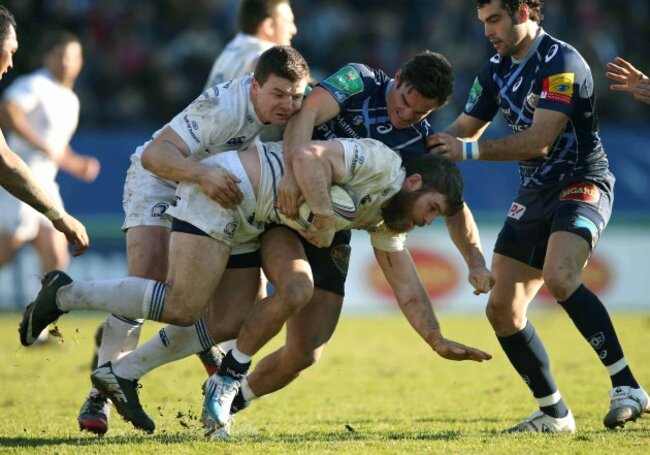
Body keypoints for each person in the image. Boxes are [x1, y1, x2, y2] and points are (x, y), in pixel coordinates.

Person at [66, 50, 494, 439]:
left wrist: (470, 267)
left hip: (331, 219)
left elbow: (447, 207)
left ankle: (226, 396)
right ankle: (143, 383)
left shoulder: (417, 149)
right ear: (397, 78)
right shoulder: (360, 80)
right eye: (404, 102)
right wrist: (293, 174)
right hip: (282, 198)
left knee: (304, 349)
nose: (406, 115)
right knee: (225, 294)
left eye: (420, 112)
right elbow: (305, 118)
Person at [20, 135, 493, 429]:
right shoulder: (380, 163)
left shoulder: (389, 216)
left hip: (259, 218)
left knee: (230, 319)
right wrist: (324, 214)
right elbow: (308, 154)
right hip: (231, 189)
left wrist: (436, 339)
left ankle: (127, 373)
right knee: (183, 304)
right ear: (414, 183)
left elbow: (406, 285)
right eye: (432, 210)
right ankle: (64, 294)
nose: (428, 221)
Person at [427, 0, 648, 432]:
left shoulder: (561, 62)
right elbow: (464, 127)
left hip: (581, 182)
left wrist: (465, 152)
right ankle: (554, 413)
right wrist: (416, 151)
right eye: (483, 22)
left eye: (494, 20)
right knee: (501, 310)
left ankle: (627, 387)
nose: (487, 31)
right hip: (534, 194)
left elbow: (540, 140)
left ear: (524, 13)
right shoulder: (494, 70)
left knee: (560, 277)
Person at [71, 45, 309, 435]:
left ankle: (181, 366)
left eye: (296, 96)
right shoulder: (225, 108)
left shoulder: (296, 111)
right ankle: (99, 392)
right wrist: (200, 174)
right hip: (163, 180)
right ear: (254, 86)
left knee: (234, 310)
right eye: (279, 94)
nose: (289, 105)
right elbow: (154, 155)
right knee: (148, 280)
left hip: (218, 196)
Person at [0, 31, 98, 285]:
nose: (65, 62)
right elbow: (9, 111)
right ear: (47, 58)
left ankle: (40, 311)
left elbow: (56, 149)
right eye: (60, 55)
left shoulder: (72, 100)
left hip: (46, 183)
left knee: (56, 255)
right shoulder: (35, 83)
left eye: (71, 57)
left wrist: (77, 165)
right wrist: (41, 145)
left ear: (80, 62)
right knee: (4, 254)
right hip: (17, 181)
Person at [204, 0, 297, 89]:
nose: (294, 30)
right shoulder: (270, 58)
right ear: (269, 26)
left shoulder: (229, 51)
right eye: (288, 22)